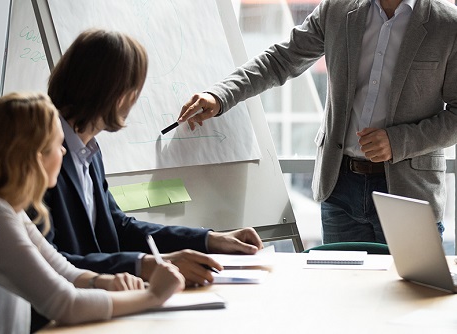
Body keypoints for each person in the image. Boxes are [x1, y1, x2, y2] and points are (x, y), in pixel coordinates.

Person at [179, 0, 457, 244]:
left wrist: (398, 142)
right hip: (340, 187)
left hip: (409, 192)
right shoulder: (337, 9)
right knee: (341, 294)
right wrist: (221, 94)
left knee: (408, 299)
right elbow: (280, 59)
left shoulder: (448, 24)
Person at [37, 29, 263, 287]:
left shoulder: (88, 151)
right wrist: (146, 265)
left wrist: (210, 240)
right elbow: (47, 262)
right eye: (134, 89)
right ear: (115, 92)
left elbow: (118, 227)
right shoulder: (41, 155)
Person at [0, 92, 185, 334]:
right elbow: (66, 304)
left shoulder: (1, 207)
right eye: (58, 145)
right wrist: (154, 295)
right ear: (36, 158)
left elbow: (62, 269)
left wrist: (103, 281)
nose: (64, 153)